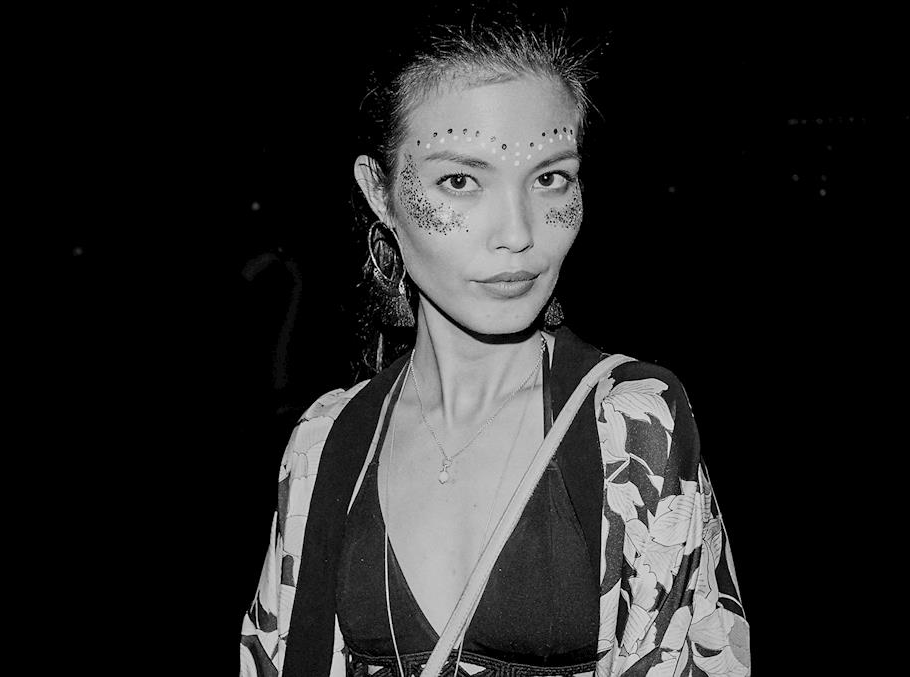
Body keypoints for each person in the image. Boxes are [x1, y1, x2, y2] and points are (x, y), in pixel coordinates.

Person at [241, 11, 750, 677]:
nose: (518, 233)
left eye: (550, 178)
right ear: (380, 193)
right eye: (460, 180)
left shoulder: (631, 428)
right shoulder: (324, 443)